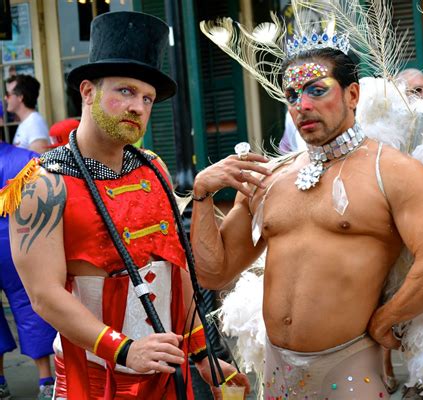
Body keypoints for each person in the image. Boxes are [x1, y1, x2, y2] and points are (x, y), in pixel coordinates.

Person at [193, 19, 423, 400]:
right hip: (276, 374)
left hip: (351, 370)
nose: (302, 106)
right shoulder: (269, 179)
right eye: (292, 95)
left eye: (318, 91)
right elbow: (214, 274)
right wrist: (203, 193)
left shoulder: (395, 172)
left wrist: (387, 318)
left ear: (353, 95)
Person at [1, 11, 248, 399]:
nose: (138, 106)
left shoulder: (153, 167)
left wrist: (203, 352)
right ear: (87, 92)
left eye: (147, 98)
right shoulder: (41, 183)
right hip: (93, 380)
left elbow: (175, 269)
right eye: (125, 91)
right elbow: (44, 295)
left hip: (165, 373)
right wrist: (125, 350)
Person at [0, 141, 57, 399]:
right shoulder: (27, 159)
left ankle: (1, 382)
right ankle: (46, 380)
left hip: (15, 243)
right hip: (17, 245)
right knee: (29, 306)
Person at [4, 74, 50, 153]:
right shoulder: (28, 122)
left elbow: (39, 161)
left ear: (20, 97)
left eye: (8, 94)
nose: (5, 98)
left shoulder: (34, 124)